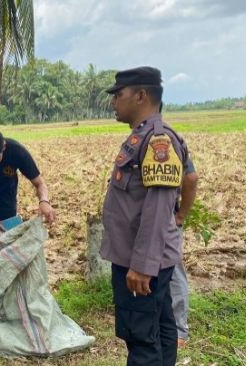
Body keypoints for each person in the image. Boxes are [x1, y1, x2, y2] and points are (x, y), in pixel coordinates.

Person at [100, 66, 189, 366]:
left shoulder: (157, 141)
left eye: (119, 95)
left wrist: (142, 265)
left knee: (141, 338)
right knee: (161, 328)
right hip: (145, 258)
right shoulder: (144, 137)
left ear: (140, 96)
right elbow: (189, 180)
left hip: (140, 263)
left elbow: (158, 207)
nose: (113, 102)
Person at [0, 128, 56, 249]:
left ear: (4, 147)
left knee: (10, 246)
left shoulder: (17, 151)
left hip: (5, 199)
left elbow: (39, 183)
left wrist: (44, 201)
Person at [171, 157, 199, 347]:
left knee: (173, 272)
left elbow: (191, 178)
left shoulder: (166, 138)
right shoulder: (138, 138)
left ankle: (179, 331)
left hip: (165, 223)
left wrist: (180, 216)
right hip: (140, 226)